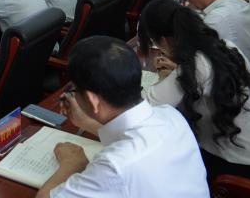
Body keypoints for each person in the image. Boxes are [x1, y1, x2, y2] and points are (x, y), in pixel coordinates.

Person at [38, 36, 208, 198]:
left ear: (92, 100)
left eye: (74, 90)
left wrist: (72, 163)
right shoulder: (170, 115)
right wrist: (85, 122)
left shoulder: (114, 166)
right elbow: (130, 136)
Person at [139, 0, 250, 186]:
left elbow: (144, 107)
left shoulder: (193, 69)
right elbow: (208, 74)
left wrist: (169, 77)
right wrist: (177, 70)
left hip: (241, 171)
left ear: (165, 41)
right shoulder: (226, 46)